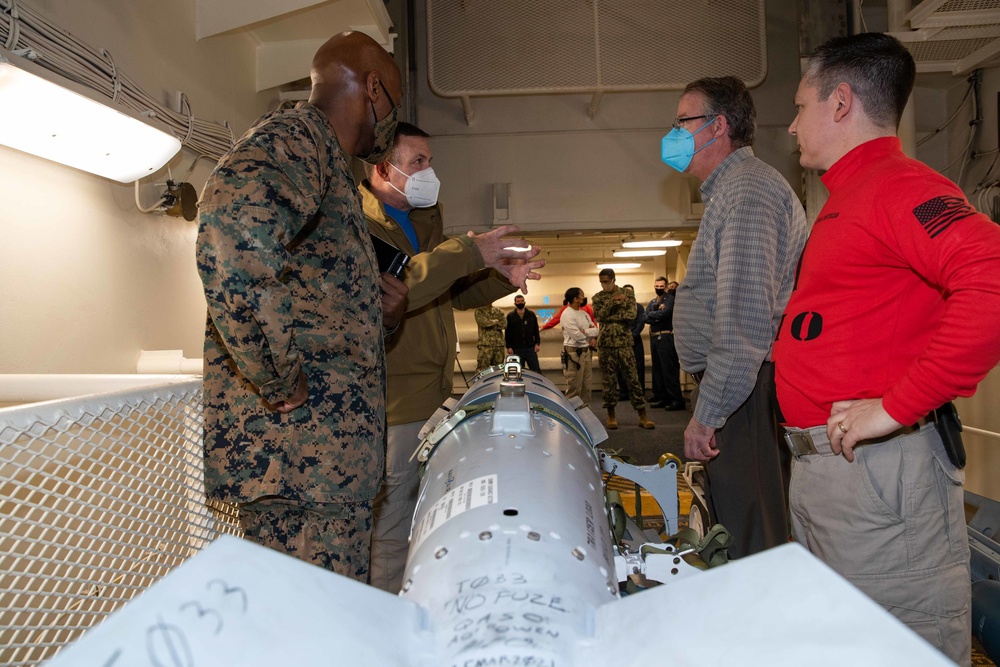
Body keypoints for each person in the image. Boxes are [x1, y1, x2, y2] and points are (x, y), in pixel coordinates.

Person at [774, 33, 1000, 666]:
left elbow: (992, 277)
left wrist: (896, 408)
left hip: (879, 478)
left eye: (799, 107)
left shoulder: (898, 187)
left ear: (840, 102)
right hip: (835, 475)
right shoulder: (849, 197)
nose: (791, 126)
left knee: (895, 650)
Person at [196, 31, 409, 581]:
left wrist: (382, 319)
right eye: (394, 107)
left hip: (319, 467)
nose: (390, 126)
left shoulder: (329, 168)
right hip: (307, 466)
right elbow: (232, 226)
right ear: (373, 88)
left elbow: (316, 303)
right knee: (320, 629)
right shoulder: (300, 137)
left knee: (299, 622)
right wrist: (277, 375)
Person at [361, 122, 544, 592]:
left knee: (425, 516)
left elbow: (448, 295)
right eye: (417, 162)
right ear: (383, 169)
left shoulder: (423, 218)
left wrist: (501, 275)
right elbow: (396, 291)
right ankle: (388, 625)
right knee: (392, 530)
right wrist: (467, 251)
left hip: (436, 396)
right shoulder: (359, 223)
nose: (429, 171)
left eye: (430, 160)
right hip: (395, 404)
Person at [667, 76, 807, 559]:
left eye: (681, 122)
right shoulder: (731, 192)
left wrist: (708, 415)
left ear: (717, 126)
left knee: (753, 529)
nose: (673, 135)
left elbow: (743, 323)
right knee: (739, 520)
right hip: (739, 388)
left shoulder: (747, 192)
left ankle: (764, 629)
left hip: (744, 391)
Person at [591, 269, 655, 430]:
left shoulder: (628, 294)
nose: (604, 284)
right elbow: (599, 316)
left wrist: (611, 315)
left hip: (624, 342)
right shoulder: (598, 297)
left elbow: (631, 315)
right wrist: (613, 302)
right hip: (605, 344)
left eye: (606, 281)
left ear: (613, 280)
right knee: (609, 381)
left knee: (633, 379)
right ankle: (611, 416)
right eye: (601, 282)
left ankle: (642, 415)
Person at [647, 278, 685, 411]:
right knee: (658, 370)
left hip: (666, 337)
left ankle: (676, 399)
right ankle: (663, 397)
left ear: (666, 287)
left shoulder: (670, 299)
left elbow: (665, 313)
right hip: (654, 337)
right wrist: (655, 315)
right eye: (656, 285)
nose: (659, 288)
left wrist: (654, 316)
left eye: (661, 286)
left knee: (668, 369)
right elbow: (645, 317)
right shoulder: (653, 301)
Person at [561, 287, 598, 407]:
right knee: (574, 387)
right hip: (574, 354)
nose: (584, 297)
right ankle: (572, 418)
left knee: (586, 387)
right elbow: (576, 336)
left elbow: (596, 330)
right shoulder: (567, 314)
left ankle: (586, 415)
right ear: (576, 299)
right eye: (582, 295)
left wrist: (585, 332)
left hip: (586, 352)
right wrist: (588, 333)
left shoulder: (584, 314)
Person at [616, 284, 646, 400]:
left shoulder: (638, 307)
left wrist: (631, 336)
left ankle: (639, 393)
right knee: (621, 367)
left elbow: (640, 324)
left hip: (635, 341)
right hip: (621, 342)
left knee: (638, 367)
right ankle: (624, 393)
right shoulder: (617, 307)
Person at [505, 294, 541, 372]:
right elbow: (508, 333)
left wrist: (537, 343)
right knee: (518, 371)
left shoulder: (531, 314)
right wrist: (509, 346)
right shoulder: (510, 316)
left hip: (530, 348)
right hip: (517, 348)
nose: (520, 303)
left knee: (536, 371)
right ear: (515, 304)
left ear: (524, 302)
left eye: (522, 301)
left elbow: (536, 330)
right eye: (518, 301)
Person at [475, 304, 507, 371]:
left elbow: (504, 324)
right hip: (485, 345)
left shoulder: (499, 311)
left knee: (499, 369)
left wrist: (490, 323)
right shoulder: (479, 311)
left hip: (498, 345)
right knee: (482, 369)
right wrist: (496, 321)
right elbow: (483, 323)